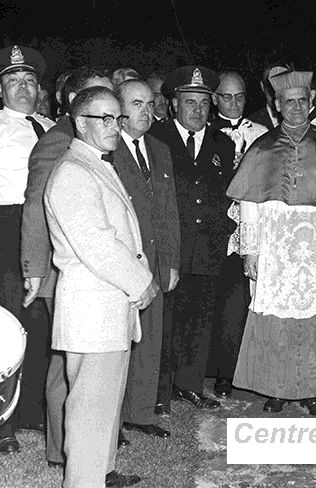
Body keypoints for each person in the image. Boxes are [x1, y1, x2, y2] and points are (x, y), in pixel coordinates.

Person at [227, 70, 316, 416]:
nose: (297, 107)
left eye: (303, 101)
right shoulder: (262, 147)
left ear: (311, 102)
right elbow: (249, 205)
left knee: (314, 318)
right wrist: (250, 250)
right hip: (274, 247)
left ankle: (312, 391)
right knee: (276, 318)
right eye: (289, 102)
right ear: (277, 104)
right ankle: (277, 389)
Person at [45, 85, 156, 487]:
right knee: (90, 408)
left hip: (109, 306)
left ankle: (102, 473)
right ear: (79, 123)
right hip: (93, 308)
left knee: (105, 403)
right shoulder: (73, 171)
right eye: (105, 118)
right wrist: (141, 282)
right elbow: (98, 244)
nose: (115, 125)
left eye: (118, 118)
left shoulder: (97, 163)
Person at [20, 65, 115, 468]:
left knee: (89, 368)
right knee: (67, 368)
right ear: (75, 104)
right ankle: (65, 452)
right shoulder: (57, 142)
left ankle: (89, 449)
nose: (109, 109)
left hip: (96, 271)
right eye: (99, 99)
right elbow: (36, 209)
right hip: (64, 273)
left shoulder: (96, 143)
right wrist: (35, 269)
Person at [150, 65, 235, 411]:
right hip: (171, 247)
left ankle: (189, 385)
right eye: (190, 102)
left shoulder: (222, 143)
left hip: (208, 247)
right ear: (173, 104)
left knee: (200, 321)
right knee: (166, 320)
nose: (198, 110)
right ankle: (160, 392)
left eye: (203, 103)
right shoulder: (157, 140)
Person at [114, 79, 180, 439]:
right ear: (119, 112)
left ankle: (139, 412)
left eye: (149, 103)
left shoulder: (159, 148)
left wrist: (170, 262)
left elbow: (169, 209)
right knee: (119, 339)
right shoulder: (108, 151)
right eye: (136, 104)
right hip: (124, 261)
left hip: (155, 259)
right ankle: (115, 417)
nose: (146, 111)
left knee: (150, 337)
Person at [0, 44, 55, 455]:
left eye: (30, 81)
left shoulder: (52, 127)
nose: (23, 88)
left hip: (48, 229)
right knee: (8, 325)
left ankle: (34, 410)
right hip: (7, 229)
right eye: (14, 81)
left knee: (41, 322)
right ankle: (5, 422)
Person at [207, 70, 267, 398]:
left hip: (253, 226)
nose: (233, 103)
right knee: (223, 304)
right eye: (226, 96)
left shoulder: (262, 133)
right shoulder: (208, 132)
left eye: (239, 96)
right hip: (220, 227)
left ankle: (244, 371)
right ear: (215, 98)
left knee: (247, 302)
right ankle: (219, 371)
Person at [247, 64, 288, 129]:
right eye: (270, 85)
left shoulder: (302, 116)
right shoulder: (250, 124)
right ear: (262, 86)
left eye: (281, 83)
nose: (275, 90)